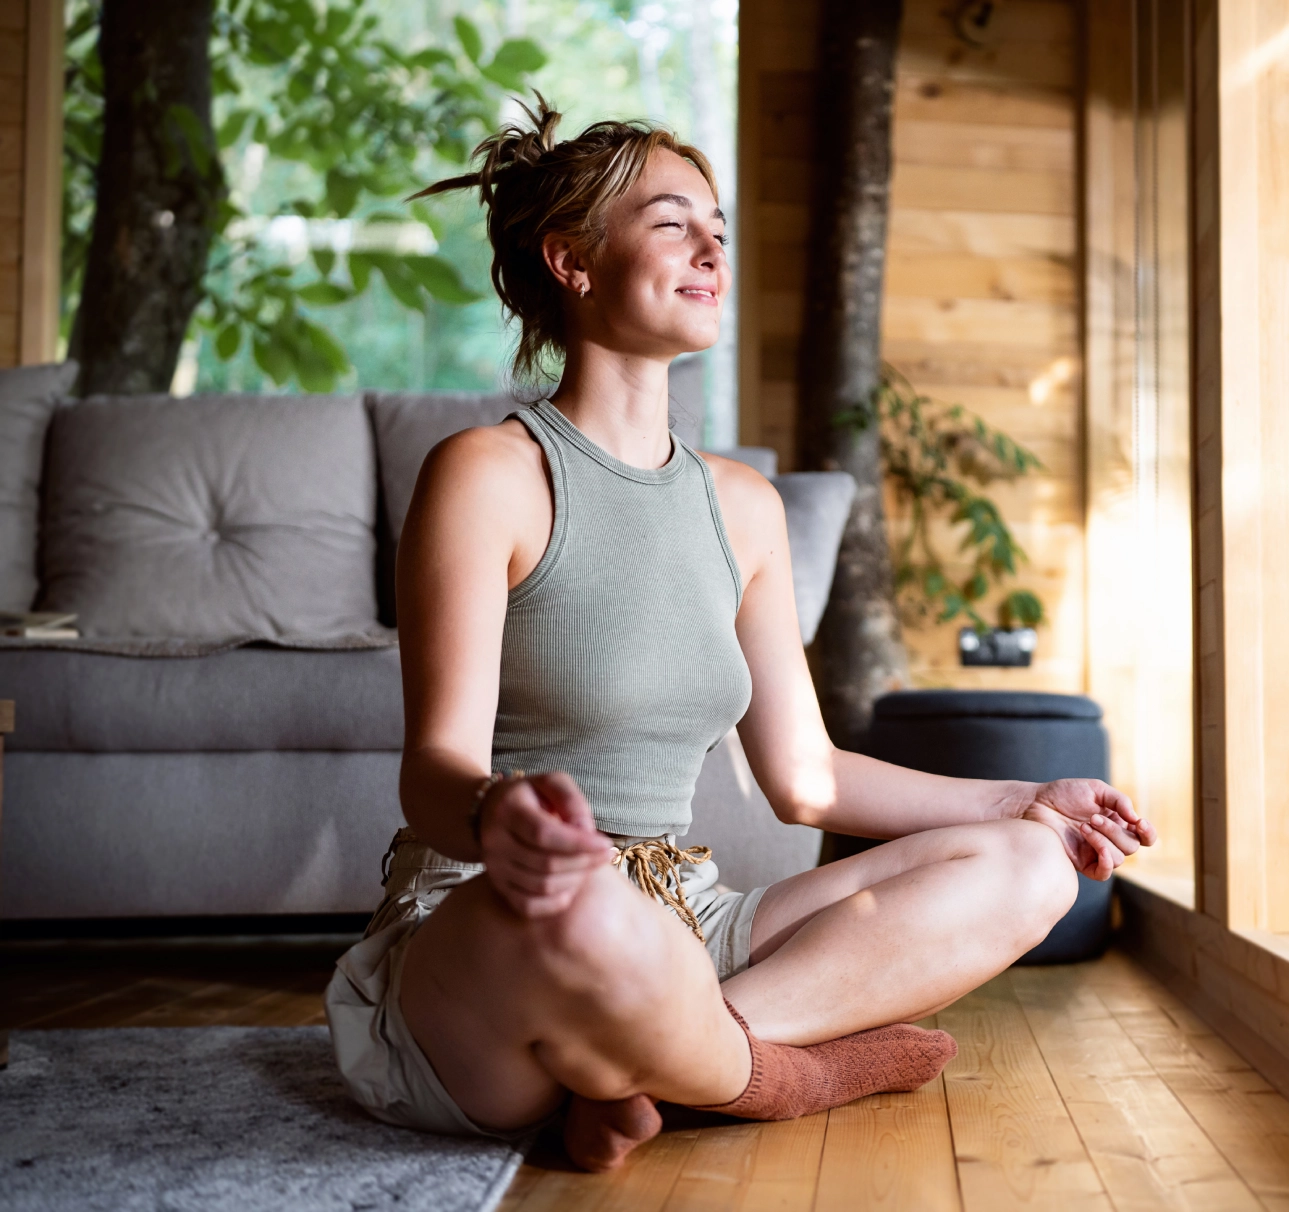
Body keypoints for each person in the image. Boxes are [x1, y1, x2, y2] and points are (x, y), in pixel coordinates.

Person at [324, 99, 1156, 1172]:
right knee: (593, 920)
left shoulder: (743, 507)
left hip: (687, 918)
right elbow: (430, 772)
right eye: (672, 222)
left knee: (1032, 871)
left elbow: (804, 782)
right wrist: (497, 819)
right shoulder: (489, 476)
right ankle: (782, 1074)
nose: (711, 243)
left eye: (717, 223)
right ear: (570, 260)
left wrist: (1022, 801)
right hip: (505, 925)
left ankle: (651, 1073)